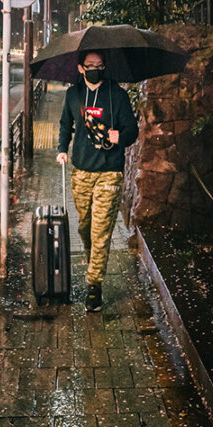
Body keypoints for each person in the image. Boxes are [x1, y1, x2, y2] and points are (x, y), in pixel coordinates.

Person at [56, 50, 139, 310]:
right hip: (81, 170)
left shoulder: (118, 95)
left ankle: (94, 285)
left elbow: (132, 130)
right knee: (85, 226)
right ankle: (95, 262)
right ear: (81, 68)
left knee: (101, 230)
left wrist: (120, 137)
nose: (95, 69)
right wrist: (61, 149)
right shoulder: (73, 94)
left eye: (100, 65)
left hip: (109, 171)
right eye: (90, 65)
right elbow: (64, 124)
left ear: (105, 67)